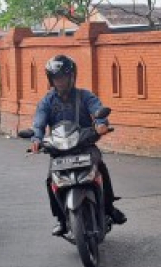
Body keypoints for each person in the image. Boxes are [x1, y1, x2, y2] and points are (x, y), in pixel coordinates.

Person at [29, 54, 125, 236]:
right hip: (59, 152)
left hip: (85, 146)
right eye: (56, 78)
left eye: (63, 77)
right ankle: (61, 219)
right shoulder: (47, 101)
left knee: (101, 168)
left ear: (72, 76)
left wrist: (101, 123)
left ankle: (109, 207)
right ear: (51, 79)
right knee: (50, 180)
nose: (60, 81)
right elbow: (39, 123)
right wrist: (36, 138)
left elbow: (97, 109)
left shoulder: (84, 96)